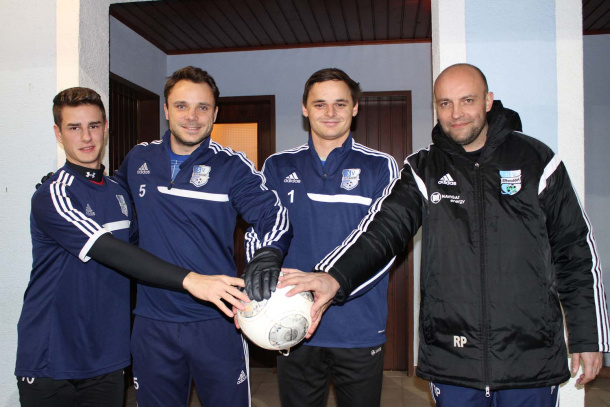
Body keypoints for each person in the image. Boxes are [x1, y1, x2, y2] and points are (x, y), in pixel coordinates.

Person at [279, 63, 610, 406]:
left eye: (467, 100)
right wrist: (333, 277)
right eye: (445, 103)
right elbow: (381, 231)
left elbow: (575, 250)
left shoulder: (538, 160)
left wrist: (588, 336)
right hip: (453, 357)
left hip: (529, 357)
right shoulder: (423, 169)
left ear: (488, 101)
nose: (456, 114)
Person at [15, 87, 250, 407]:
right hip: (53, 354)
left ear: (106, 128)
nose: (86, 137)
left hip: (109, 357)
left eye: (94, 125)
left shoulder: (118, 190)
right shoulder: (53, 195)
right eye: (74, 127)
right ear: (58, 133)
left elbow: (145, 246)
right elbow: (112, 251)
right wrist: (194, 280)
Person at [112, 66, 291, 406]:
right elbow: (113, 202)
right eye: (181, 106)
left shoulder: (233, 166)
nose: (191, 117)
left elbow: (273, 214)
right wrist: (78, 185)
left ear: (215, 113)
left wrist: (269, 252)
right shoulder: (139, 159)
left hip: (217, 319)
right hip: (152, 321)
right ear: (166, 110)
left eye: (202, 107)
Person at [245, 68, 398, 407]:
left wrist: (333, 283)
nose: (330, 113)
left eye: (340, 104)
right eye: (320, 104)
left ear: (355, 108)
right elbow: (262, 228)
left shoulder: (381, 167)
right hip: (292, 322)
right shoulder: (277, 166)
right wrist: (259, 264)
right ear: (304, 108)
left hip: (358, 328)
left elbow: (385, 245)